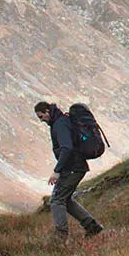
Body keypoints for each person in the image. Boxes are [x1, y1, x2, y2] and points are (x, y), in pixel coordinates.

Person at [35, 101, 104, 240]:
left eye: (41, 116)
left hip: (73, 167)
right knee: (65, 199)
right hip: (75, 167)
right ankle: (92, 227)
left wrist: (57, 170)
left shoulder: (60, 124)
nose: (42, 120)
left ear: (47, 111)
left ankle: (61, 236)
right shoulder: (61, 121)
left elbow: (67, 148)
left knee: (56, 200)